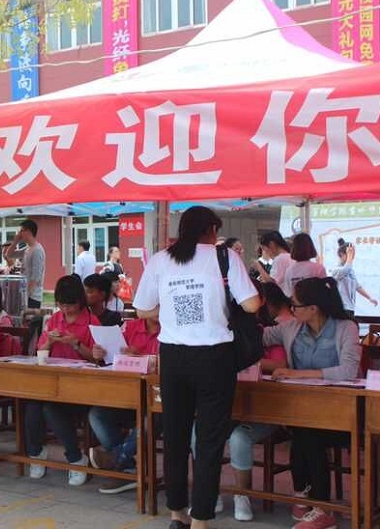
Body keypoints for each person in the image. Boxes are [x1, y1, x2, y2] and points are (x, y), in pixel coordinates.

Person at [132, 206, 260, 529]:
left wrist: (171, 308)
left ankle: (177, 514)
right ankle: (200, 519)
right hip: (215, 357)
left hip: (173, 357)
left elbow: (142, 309)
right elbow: (252, 304)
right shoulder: (225, 257)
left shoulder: (161, 260)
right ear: (212, 230)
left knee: (174, 437)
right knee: (209, 440)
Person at [264, 277, 360, 528]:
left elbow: (349, 370)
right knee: (304, 428)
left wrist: (297, 374)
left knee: (307, 431)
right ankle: (311, 499)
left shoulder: (345, 328)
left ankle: (316, 502)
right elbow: (261, 337)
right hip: (303, 410)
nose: (291, 309)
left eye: (295, 305)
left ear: (313, 308)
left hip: (341, 412)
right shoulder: (291, 328)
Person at [223, 282, 290, 522]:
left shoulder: (268, 331)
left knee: (239, 438)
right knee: (198, 433)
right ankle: (208, 491)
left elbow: (280, 364)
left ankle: (243, 495)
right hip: (230, 405)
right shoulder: (223, 332)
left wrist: (248, 362)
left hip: (265, 409)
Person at [26, 275, 102, 486]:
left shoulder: (92, 322)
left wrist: (76, 344)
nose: (66, 310)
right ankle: (36, 453)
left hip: (81, 386)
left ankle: (75, 458)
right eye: (61, 305)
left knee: (51, 409)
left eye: (70, 305)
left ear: (80, 301)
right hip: (52, 382)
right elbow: (40, 352)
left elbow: (98, 359)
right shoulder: (54, 319)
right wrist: (50, 341)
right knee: (32, 405)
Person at [88, 313, 160, 495]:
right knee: (97, 415)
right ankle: (127, 467)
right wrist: (100, 354)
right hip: (127, 395)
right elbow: (112, 357)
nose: (156, 311)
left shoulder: (174, 330)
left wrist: (141, 359)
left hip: (159, 400)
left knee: (150, 418)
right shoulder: (130, 327)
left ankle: (117, 459)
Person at [331, 239, 377, 319]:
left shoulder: (351, 271)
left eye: (353, 254)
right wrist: (349, 257)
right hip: (341, 307)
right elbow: (345, 270)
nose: (352, 256)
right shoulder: (336, 270)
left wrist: (369, 298)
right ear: (342, 254)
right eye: (351, 253)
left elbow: (357, 286)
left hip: (350, 307)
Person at [5, 219, 45, 309]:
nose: (19, 234)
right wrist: (15, 242)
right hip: (25, 294)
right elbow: (9, 255)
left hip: (33, 297)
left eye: (21, 231)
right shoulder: (27, 249)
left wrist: (25, 296)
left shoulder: (37, 250)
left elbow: (35, 277)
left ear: (29, 232)